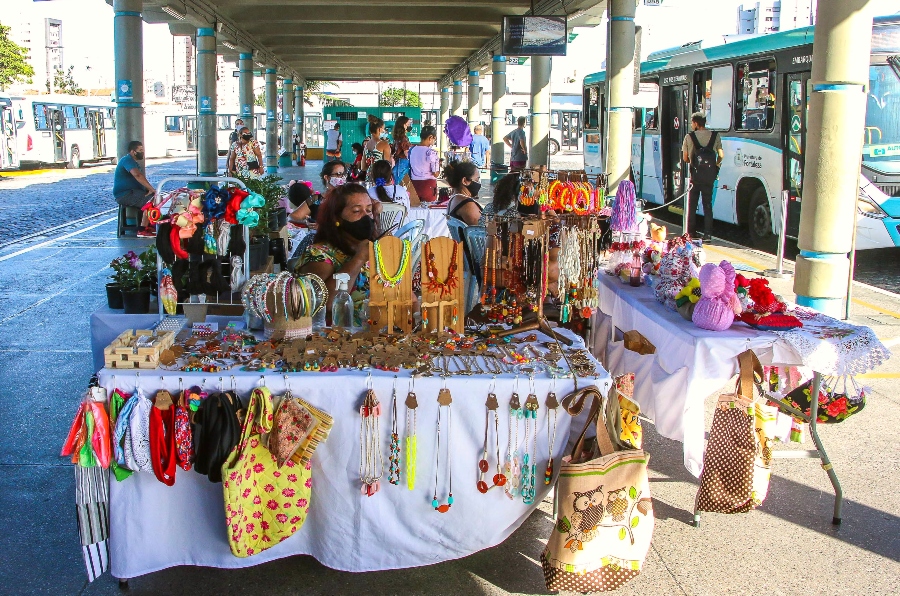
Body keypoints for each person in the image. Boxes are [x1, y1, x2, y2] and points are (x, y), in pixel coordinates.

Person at [296, 183, 373, 326]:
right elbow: (324, 305)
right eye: (357, 211)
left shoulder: (372, 248)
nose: (366, 216)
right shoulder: (319, 255)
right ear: (337, 218)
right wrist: (359, 259)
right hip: (337, 336)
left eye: (369, 210)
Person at [682, 112, 723, 239]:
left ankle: (691, 233)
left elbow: (685, 158)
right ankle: (708, 234)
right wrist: (715, 165)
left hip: (695, 177)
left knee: (692, 205)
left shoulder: (689, 137)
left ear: (695, 123)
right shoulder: (715, 135)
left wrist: (694, 162)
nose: (691, 125)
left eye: (692, 122)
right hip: (709, 177)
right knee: (707, 205)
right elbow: (721, 155)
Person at [113, 140, 156, 237]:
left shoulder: (133, 162)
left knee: (154, 197)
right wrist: (151, 189)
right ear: (133, 152)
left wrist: (148, 189)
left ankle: (148, 225)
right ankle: (142, 230)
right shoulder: (127, 160)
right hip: (125, 194)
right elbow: (137, 175)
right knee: (151, 200)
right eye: (140, 150)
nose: (142, 152)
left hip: (132, 192)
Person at [444, 160, 482, 226]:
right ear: (464, 181)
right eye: (476, 180)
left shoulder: (455, 198)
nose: (478, 183)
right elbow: (484, 229)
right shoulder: (468, 205)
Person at [408, 125, 440, 203]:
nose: (434, 141)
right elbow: (435, 173)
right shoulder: (431, 152)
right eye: (434, 139)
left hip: (414, 185)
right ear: (430, 137)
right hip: (428, 186)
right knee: (428, 209)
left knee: (415, 209)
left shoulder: (411, 150)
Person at [362, 115, 393, 180]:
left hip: (369, 177)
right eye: (383, 128)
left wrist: (371, 166)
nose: (384, 131)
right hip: (380, 178)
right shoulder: (384, 144)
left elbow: (363, 167)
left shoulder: (366, 145)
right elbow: (387, 166)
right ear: (379, 129)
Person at [391, 116, 412, 183]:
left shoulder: (397, 137)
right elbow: (406, 153)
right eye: (408, 124)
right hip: (403, 162)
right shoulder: (403, 138)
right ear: (403, 125)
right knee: (400, 183)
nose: (409, 126)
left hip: (398, 161)